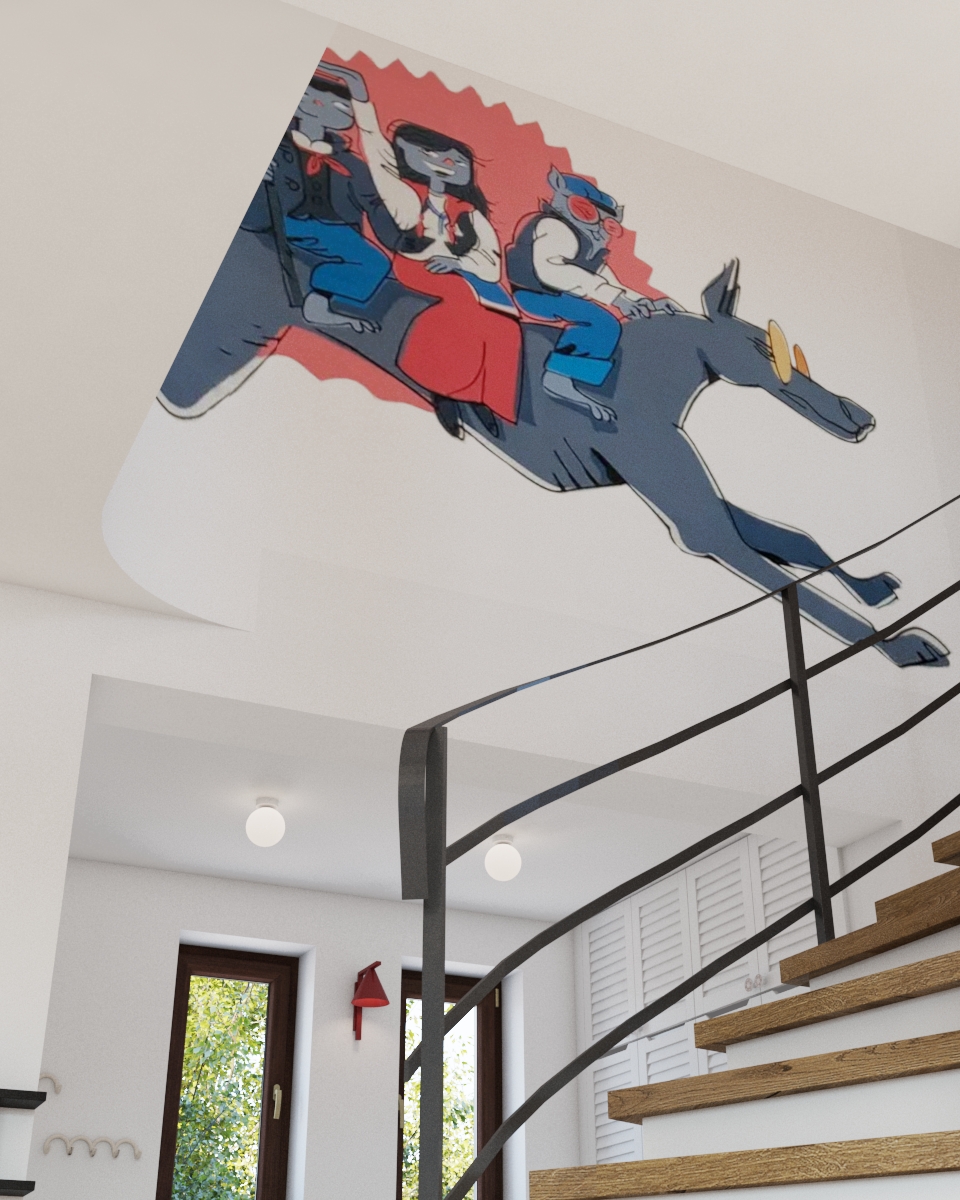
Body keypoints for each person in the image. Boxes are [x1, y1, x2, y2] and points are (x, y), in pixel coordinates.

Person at [349, 103, 522, 434]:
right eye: (429, 155)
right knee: (463, 305)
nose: (445, 164)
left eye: (456, 161)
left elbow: (489, 258)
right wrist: (362, 101)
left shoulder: (468, 211)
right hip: (418, 264)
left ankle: (484, 396)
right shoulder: (405, 195)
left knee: (505, 324)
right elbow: (377, 152)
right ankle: (442, 387)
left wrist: (460, 263)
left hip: (464, 271)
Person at [507, 168, 681, 422]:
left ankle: (584, 375)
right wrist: (615, 299)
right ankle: (558, 377)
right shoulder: (554, 227)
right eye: (588, 212)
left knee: (608, 321)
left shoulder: (589, 244)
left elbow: (606, 280)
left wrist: (643, 302)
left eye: (608, 222)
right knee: (600, 322)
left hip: (556, 291)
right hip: (534, 292)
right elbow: (551, 271)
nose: (599, 225)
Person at [243, 64, 398, 333]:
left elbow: (373, 203)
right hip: (286, 217)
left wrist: (405, 241)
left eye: (337, 105)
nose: (319, 105)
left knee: (375, 263)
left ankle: (319, 304)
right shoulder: (275, 144)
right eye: (309, 96)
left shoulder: (351, 163)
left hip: (334, 227)